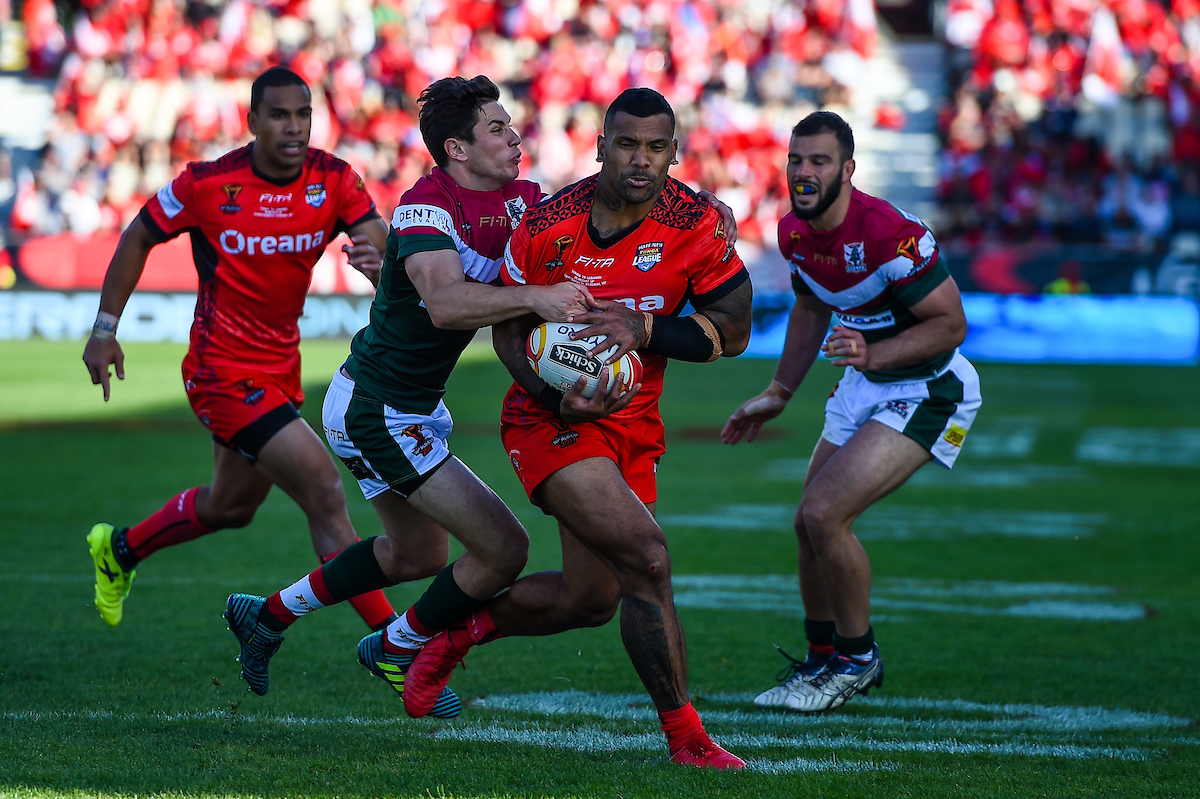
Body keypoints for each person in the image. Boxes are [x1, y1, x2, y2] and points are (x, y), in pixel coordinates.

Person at [401, 88, 753, 770]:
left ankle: (455, 634)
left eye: (657, 147)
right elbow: (507, 332)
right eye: (626, 144)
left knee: (590, 597)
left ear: (675, 152)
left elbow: (734, 330)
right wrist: (554, 399)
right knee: (648, 557)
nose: (641, 160)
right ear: (600, 146)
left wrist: (644, 327)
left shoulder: (699, 223)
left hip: (633, 423)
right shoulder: (547, 223)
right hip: (549, 420)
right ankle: (687, 737)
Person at [221, 76, 595, 709]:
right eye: (497, 129)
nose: (514, 138)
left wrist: (697, 205)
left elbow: (601, 207)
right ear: (456, 148)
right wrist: (536, 296)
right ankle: (398, 645)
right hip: (378, 409)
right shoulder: (427, 205)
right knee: (504, 549)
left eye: (511, 126)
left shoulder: (522, 199)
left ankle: (269, 615)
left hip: (406, 405)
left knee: (418, 553)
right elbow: (447, 303)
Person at [82, 66, 399, 634]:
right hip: (220, 371)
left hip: (281, 370)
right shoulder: (207, 183)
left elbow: (398, 266)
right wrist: (105, 329)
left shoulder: (335, 180)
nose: (294, 127)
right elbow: (138, 235)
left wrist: (383, 274)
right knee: (325, 492)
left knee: (229, 507)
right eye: (279, 115)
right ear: (252, 122)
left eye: (303, 114)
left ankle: (120, 550)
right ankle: (398, 645)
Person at [721, 111, 982, 714]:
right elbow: (811, 308)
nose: (804, 172)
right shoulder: (792, 231)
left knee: (823, 512)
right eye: (795, 160)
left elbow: (952, 325)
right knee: (805, 525)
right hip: (866, 384)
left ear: (848, 170)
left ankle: (858, 659)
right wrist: (780, 391)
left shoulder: (890, 233)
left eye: (818, 161)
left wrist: (874, 351)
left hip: (928, 387)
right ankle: (820, 662)